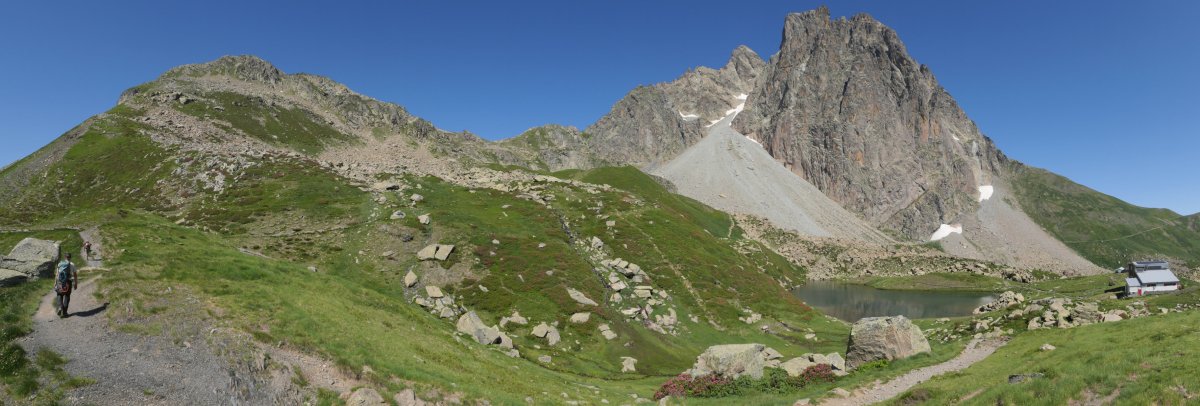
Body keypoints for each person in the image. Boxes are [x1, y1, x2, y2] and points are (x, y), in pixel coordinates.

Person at [54, 253, 78, 317]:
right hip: (68, 281)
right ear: (70, 257)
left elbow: (57, 274)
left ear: (65, 257)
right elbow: (75, 275)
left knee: (59, 294)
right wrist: (75, 283)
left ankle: (60, 307)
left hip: (60, 282)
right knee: (67, 296)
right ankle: (64, 312)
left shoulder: (60, 264)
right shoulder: (72, 264)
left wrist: (55, 282)